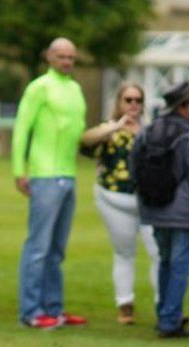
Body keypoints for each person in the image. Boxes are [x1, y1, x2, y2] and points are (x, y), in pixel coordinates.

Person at [11, 37, 87, 329]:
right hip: (44, 174)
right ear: (49, 57)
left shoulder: (76, 89)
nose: (67, 61)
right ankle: (31, 311)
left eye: (71, 56)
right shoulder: (39, 87)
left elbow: (76, 133)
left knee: (57, 249)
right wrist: (20, 170)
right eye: (61, 56)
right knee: (39, 246)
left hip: (69, 175)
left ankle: (54, 309)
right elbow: (21, 129)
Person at [81, 82, 160, 324]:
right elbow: (84, 141)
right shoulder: (109, 130)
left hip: (147, 202)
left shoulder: (150, 130)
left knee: (158, 252)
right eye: (128, 100)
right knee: (124, 252)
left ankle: (163, 304)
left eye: (138, 100)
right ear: (119, 102)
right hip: (114, 199)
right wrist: (114, 127)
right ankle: (125, 303)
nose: (133, 104)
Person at [131, 81, 189, 339]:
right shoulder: (186, 135)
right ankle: (169, 321)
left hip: (153, 208)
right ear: (184, 106)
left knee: (165, 260)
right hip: (182, 210)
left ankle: (164, 313)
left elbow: (134, 163)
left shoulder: (150, 129)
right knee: (179, 265)